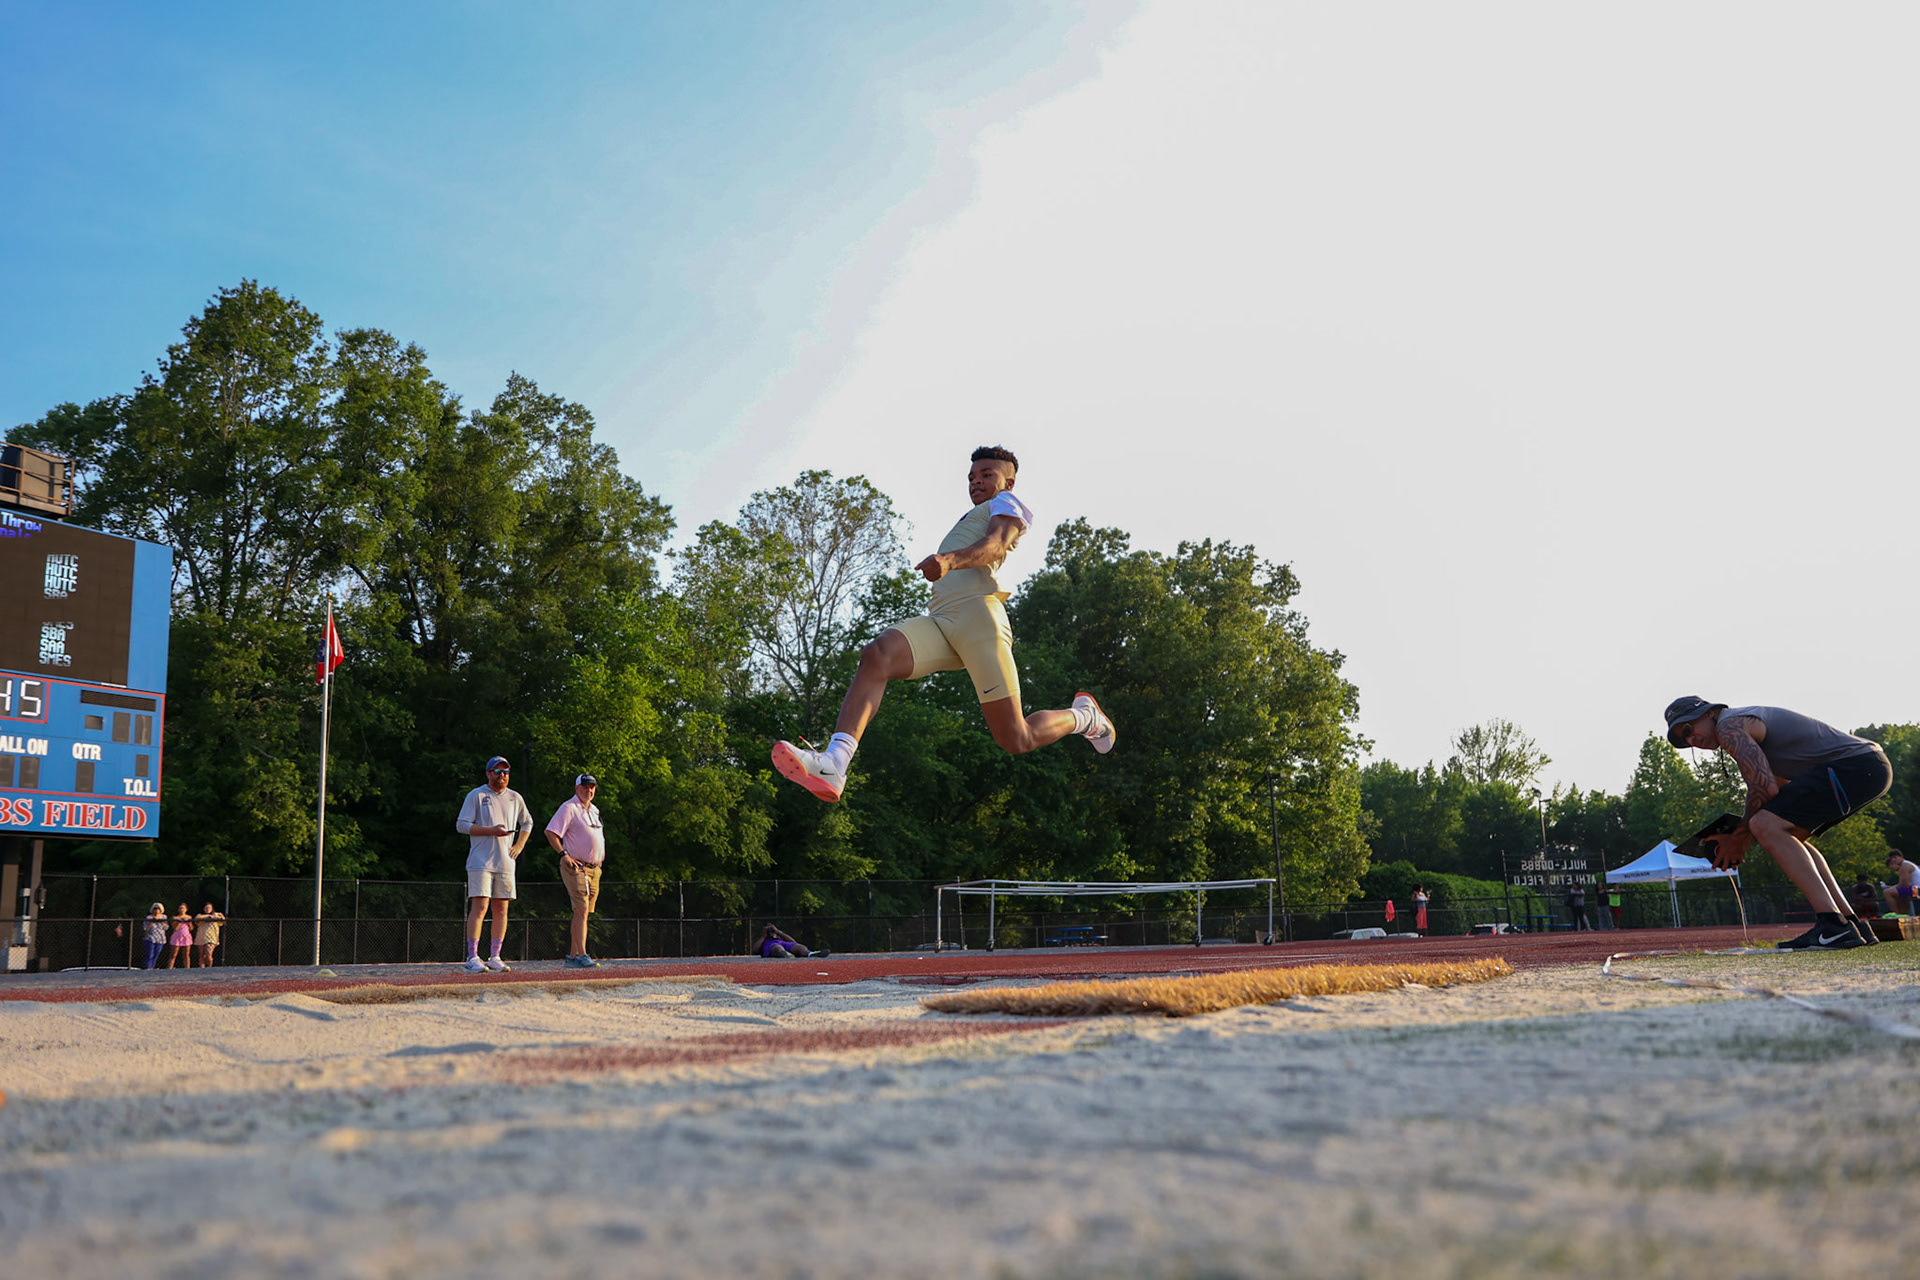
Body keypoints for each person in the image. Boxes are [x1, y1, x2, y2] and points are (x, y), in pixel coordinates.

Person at [772, 447, 1115, 802]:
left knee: (1017, 738)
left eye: (986, 475)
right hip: (942, 621)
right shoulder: (971, 515)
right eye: (971, 477)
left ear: (1008, 482)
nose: (977, 481)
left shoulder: (1007, 503)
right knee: (877, 655)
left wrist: (949, 561)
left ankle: (1084, 717)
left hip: (979, 619)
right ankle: (835, 762)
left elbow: (996, 545)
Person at [1664, 696, 1892, 950]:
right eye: (1684, 741)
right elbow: (1778, 790)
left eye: (1688, 729)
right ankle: (1851, 923)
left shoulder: (1729, 727)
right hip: (1866, 765)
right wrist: (1741, 835)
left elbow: (1764, 788)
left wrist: (1739, 838)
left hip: (1855, 765)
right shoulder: (1743, 729)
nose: (1690, 739)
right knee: (1784, 831)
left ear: (1710, 713)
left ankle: (1833, 926)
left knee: (1765, 825)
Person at [455, 755, 533, 973]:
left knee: (502, 908)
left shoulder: (515, 797)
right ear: (488, 773)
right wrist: (491, 831)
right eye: (497, 772)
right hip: (481, 861)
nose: (502, 776)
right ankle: (472, 956)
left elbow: (527, 822)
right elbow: (461, 825)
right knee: (480, 906)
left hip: (506, 862)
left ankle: (496, 956)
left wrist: (519, 845)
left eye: (505, 772)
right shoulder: (477, 795)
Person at [545, 774, 606, 969]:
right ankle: (582, 954)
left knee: (584, 912)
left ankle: (572, 956)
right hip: (576, 866)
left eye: (592, 787)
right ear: (577, 787)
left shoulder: (594, 810)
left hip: (594, 869)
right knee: (580, 909)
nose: (589, 790)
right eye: (585, 787)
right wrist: (563, 854)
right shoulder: (568, 808)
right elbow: (551, 832)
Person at [1882, 850, 1920, 917]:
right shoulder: (1906, 864)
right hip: (1915, 888)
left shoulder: (1905, 866)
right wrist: (1892, 888)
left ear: (1901, 857)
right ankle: (1903, 914)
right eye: (1892, 859)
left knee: (1887, 892)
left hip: (1916, 891)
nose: (1893, 860)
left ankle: (1896, 915)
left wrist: (1891, 888)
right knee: (1899, 894)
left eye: (1895, 857)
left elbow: (1904, 885)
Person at [757, 924, 825, 959]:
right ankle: (785, 954)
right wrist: (764, 936)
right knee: (777, 947)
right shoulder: (764, 940)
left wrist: (778, 932)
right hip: (772, 945)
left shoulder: (779, 937)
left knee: (799, 946)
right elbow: (755, 950)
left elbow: (793, 942)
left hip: (783, 944)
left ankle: (810, 954)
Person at [193, 903, 225, 967]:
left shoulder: (216, 915)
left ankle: (209, 967)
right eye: (206, 908)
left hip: (212, 937)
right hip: (201, 936)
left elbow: (222, 921)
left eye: (209, 908)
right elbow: (197, 918)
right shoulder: (200, 915)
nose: (207, 909)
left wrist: (221, 916)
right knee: (201, 955)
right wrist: (207, 916)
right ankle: (202, 968)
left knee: (208, 954)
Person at [164, 903, 194, 967]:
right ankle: (169, 968)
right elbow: (175, 928)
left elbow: (191, 928)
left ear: (186, 909)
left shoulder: (189, 917)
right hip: (177, 936)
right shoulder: (175, 918)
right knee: (173, 954)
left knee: (186, 954)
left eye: (183, 908)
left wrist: (189, 922)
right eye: (180, 908)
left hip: (186, 936)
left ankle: (187, 968)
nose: (181, 909)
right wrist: (179, 922)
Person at [140, 902, 168, 969]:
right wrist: (151, 922)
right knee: (150, 954)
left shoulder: (164, 917)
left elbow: (166, 927)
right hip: (150, 938)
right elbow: (145, 928)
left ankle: (152, 967)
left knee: (156, 954)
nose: (156, 910)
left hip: (160, 939)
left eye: (158, 908)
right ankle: (148, 968)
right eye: (155, 908)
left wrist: (161, 922)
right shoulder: (149, 917)